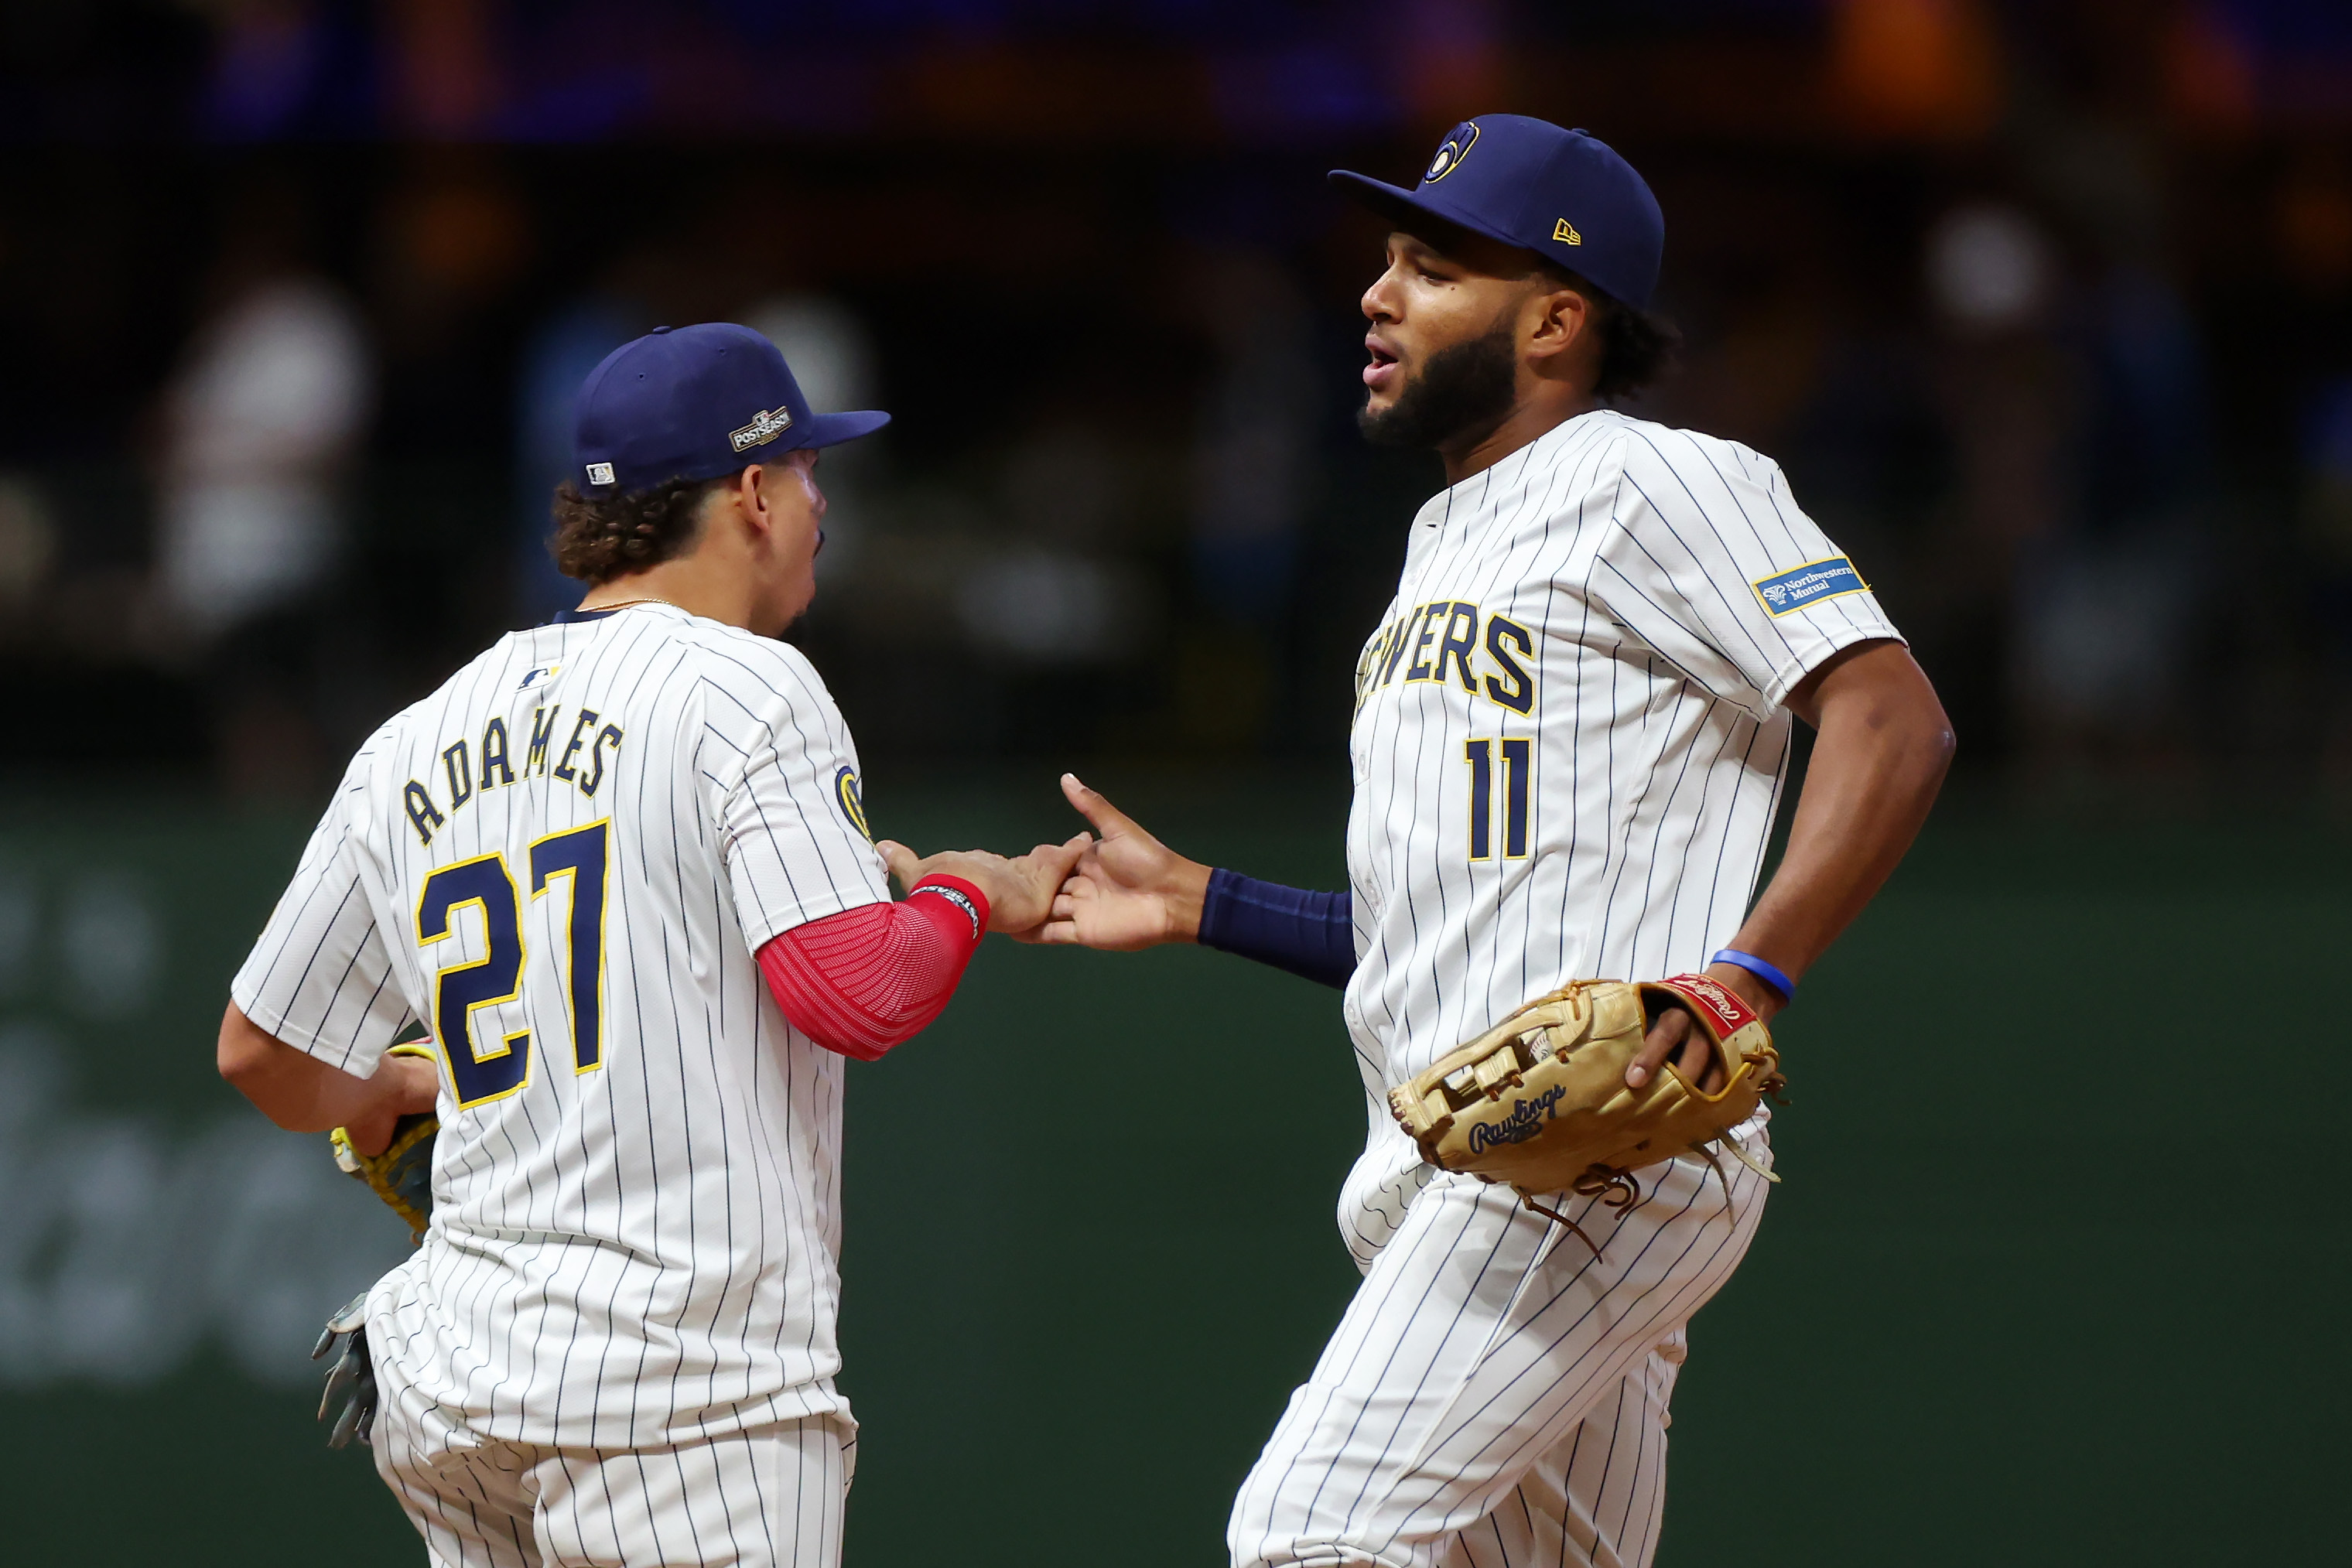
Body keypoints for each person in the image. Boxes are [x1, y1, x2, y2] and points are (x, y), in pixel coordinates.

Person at [1027, 118, 1954, 1566]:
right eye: (1387, 261)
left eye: (1430, 266)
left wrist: (1741, 984)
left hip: (1593, 1160)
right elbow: (1462, 920)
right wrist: (1206, 901)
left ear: (1558, 318)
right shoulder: (1437, 548)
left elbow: (1894, 720)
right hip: (1479, 1158)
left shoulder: (1658, 477)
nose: (1375, 295)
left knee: (1310, 1533)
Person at [216, 323, 1082, 1567]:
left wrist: (411, 1079)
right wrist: (959, 898)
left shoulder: (410, 738)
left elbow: (262, 1054)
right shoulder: (750, 685)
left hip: (456, 1391)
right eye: (809, 473)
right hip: (684, 1403)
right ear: (752, 494)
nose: (821, 502)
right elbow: (856, 993)